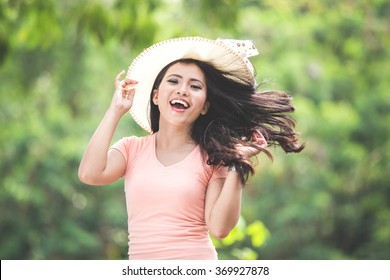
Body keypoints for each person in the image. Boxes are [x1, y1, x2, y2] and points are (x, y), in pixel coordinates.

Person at [78, 37, 304, 260]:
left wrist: (238, 164)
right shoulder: (131, 149)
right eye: (174, 81)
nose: (183, 90)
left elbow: (219, 229)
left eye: (195, 86)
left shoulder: (212, 159)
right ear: (156, 96)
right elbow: (89, 174)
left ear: (205, 106)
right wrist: (115, 110)